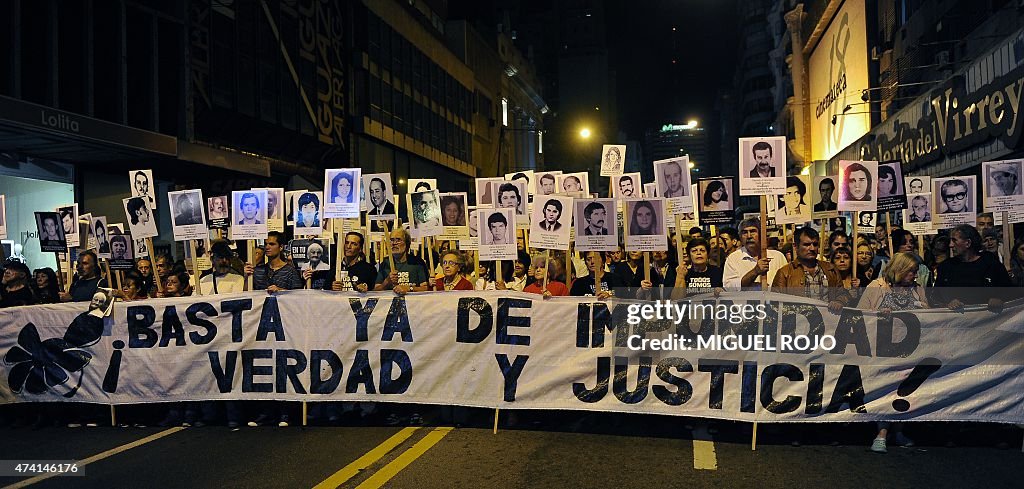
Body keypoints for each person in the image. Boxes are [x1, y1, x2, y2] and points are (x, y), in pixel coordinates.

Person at [857, 252, 927, 454]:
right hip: (882, 349)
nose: (914, 275)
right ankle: (882, 434)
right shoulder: (876, 287)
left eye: (916, 271)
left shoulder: (917, 290)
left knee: (905, 390)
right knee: (886, 390)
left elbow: (930, 315)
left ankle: (898, 431)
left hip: (910, 349)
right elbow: (861, 314)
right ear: (900, 269)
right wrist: (879, 315)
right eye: (911, 270)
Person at [933, 224, 1013, 310]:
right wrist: (948, 302)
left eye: (954, 240)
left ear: (968, 243)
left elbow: (1009, 290)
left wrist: (999, 298)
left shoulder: (990, 262)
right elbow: (936, 297)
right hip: (959, 321)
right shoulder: (946, 267)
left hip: (991, 320)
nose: (950, 245)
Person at [771, 226, 849, 313]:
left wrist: (839, 301)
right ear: (795, 246)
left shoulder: (830, 269)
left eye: (815, 244)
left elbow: (842, 293)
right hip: (799, 324)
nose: (812, 248)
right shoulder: (784, 273)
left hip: (829, 323)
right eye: (806, 245)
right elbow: (775, 304)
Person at [723, 217, 787, 290]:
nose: (749, 236)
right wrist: (755, 272)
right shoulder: (733, 259)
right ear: (740, 237)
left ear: (761, 234)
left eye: (753, 231)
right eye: (744, 233)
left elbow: (787, 284)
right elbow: (729, 288)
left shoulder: (777, 257)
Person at [374, 227, 430, 295]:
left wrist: (409, 288)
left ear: (407, 244)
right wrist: (387, 282)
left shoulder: (417, 263)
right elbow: (376, 290)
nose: (394, 243)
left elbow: (425, 288)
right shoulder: (385, 263)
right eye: (391, 240)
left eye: (398, 240)